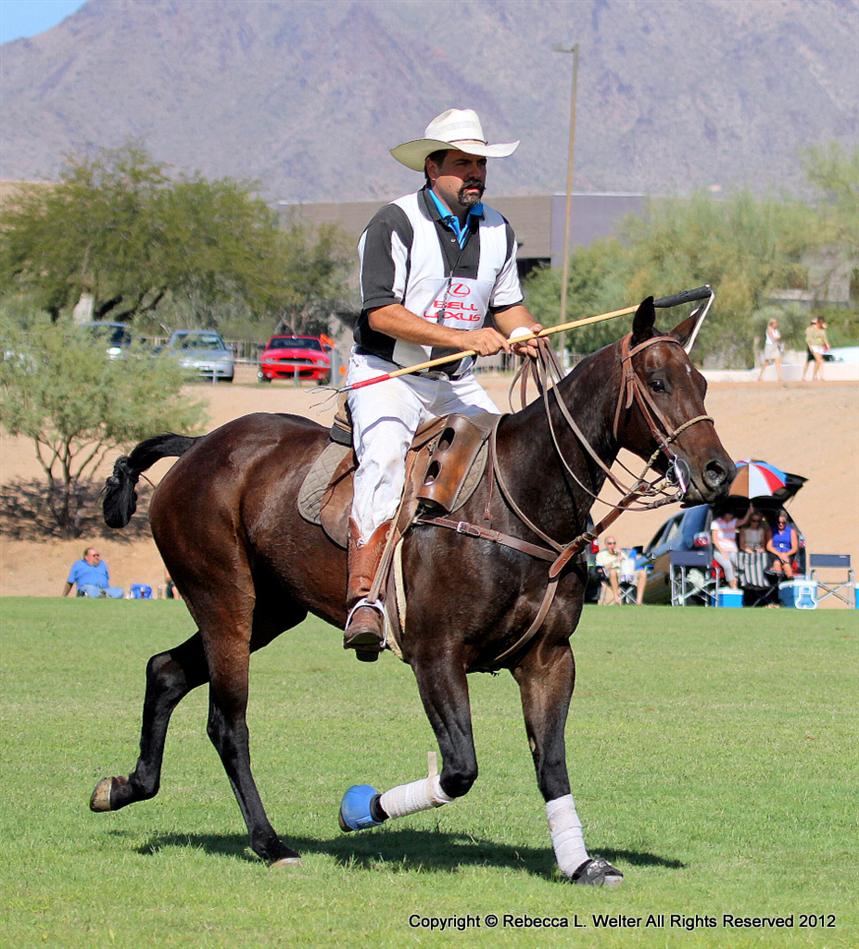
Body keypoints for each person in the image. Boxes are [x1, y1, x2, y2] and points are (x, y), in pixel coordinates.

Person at [344, 108, 541, 659]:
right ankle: (366, 599)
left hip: (454, 381)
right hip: (390, 375)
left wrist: (523, 332)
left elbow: (507, 306)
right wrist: (463, 336)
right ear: (432, 167)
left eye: (480, 163)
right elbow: (381, 313)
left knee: (511, 453)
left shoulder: (498, 228)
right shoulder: (395, 222)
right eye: (463, 163)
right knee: (383, 457)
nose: (475, 173)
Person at [595, 537, 647, 605]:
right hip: (610, 576)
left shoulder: (621, 553)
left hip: (625, 574)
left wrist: (620, 556)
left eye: (614, 543)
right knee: (613, 572)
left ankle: (639, 601)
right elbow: (599, 570)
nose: (612, 545)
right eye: (610, 544)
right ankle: (617, 599)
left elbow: (629, 565)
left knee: (642, 573)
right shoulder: (601, 555)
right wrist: (615, 561)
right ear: (606, 545)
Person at [711, 511, 740, 589]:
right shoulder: (716, 523)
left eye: (732, 514)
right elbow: (714, 540)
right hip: (719, 551)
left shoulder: (733, 522)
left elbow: (744, 521)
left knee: (739, 564)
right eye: (729, 513)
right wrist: (722, 552)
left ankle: (735, 583)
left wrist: (749, 511)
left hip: (733, 551)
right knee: (728, 566)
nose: (731, 516)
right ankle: (733, 586)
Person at [767, 511, 798, 579]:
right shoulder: (771, 530)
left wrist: (785, 554)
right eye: (778, 522)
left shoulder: (791, 531)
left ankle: (790, 581)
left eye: (783, 523)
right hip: (775, 553)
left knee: (786, 565)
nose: (781, 524)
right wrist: (779, 554)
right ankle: (778, 583)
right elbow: (769, 546)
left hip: (787, 553)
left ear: (786, 522)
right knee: (777, 563)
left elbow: (795, 548)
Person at [802, 316, 830, 381]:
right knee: (814, 361)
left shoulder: (822, 329)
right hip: (812, 346)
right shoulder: (810, 329)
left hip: (820, 346)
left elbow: (824, 337)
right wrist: (810, 347)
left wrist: (827, 344)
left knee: (819, 361)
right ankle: (806, 376)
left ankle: (815, 376)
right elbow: (808, 338)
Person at [757, 318, 783, 382]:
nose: (776, 324)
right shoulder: (769, 329)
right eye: (775, 323)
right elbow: (773, 338)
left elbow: (777, 338)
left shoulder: (776, 331)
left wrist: (779, 344)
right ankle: (760, 376)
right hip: (769, 347)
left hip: (775, 346)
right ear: (772, 324)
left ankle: (779, 377)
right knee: (766, 362)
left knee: (778, 361)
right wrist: (777, 338)